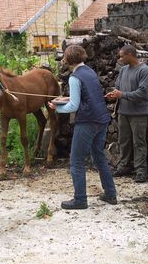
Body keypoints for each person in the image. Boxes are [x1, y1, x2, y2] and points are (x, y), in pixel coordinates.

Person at [49, 45, 117, 210]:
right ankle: (110, 194)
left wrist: (56, 107)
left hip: (87, 121)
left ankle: (80, 200)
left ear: (67, 59)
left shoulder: (74, 77)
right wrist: (68, 99)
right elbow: (87, 96)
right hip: (101, 119)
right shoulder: (90, 71)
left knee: (76, 161)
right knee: (99, 157)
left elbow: (73, 106)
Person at [105, 45, 148, 183]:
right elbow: (118, 87)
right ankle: (124, 166)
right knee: (124, 141)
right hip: (123, 112)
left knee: (139, 142)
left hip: (138, 114)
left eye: (122, 56)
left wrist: (122, 94)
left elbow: (143, 93)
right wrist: (114, 94)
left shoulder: (144, 70)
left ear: (130, 55)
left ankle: (141, 171)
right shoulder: (123, 70)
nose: (120, 59)